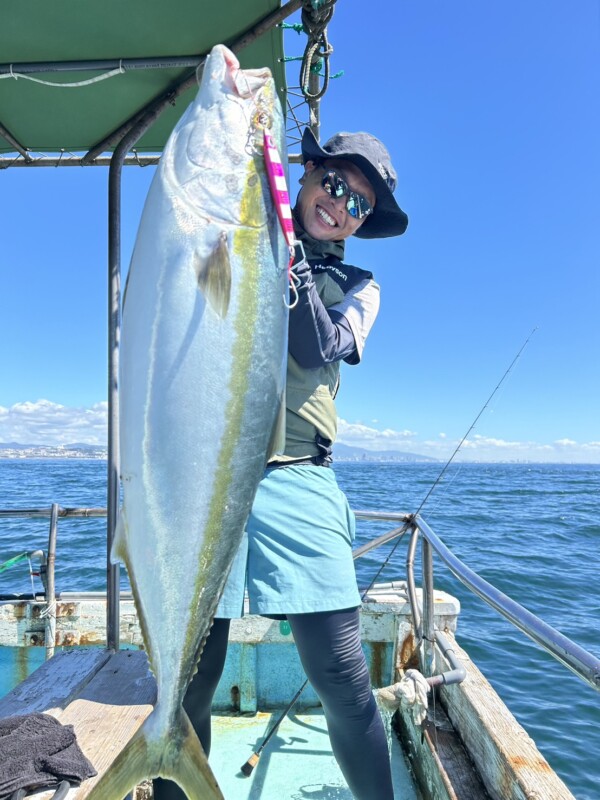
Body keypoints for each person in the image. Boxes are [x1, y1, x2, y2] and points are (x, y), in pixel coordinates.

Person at [154, 127, 408, 800]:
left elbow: (316, 347)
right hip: (210, 477)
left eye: (358, 204)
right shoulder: (238, 242)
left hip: (300, 477)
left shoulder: (361, 285)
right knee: (194, 679)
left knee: (343, 677)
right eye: (333, 184)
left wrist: (288, 256)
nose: (340, 206)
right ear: (306, 172)